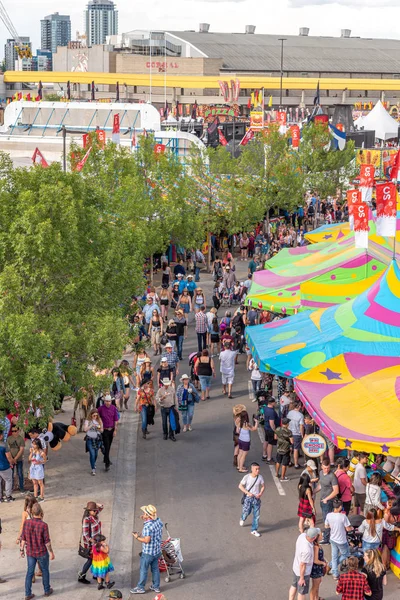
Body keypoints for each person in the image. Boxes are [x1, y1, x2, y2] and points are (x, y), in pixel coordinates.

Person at [20, 503, 55, 600]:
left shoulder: (27, 523)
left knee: (29, 572)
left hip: (30, 552)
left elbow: (23, 538)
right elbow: (47, 541)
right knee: (45, 570)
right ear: (41, 512)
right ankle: (47, 590)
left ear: (32, 512)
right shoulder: (44, 525)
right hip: (41, 552)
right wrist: (51, 552)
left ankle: (28, 593)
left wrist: (21, 550)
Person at [131, 505, 163, 595]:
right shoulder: (158, 521)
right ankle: (156, 586)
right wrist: (145, 518)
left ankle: (140, 587)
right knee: (155, 569)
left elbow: (146, 540)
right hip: (157, 551)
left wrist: (137, 537)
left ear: (148, 515)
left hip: (148, 553)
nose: (143, 514)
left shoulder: (147, 527)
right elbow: (154, 525)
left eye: (144, 513)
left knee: (143, 570)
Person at [289, 528, 321, 600]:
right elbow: (303, 565)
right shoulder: (307, 550)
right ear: (314, 537)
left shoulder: (302, 536)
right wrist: (302, 578)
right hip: (303, 573)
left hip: (295, 567)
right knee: (302, 592)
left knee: (294, 586)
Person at [325, 499, 352, 580]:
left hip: (332, 538)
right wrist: (350, 527)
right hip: (341, 540)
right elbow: (348, 529)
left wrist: (334, 526)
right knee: (345, 554)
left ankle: (335, 573)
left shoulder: (329, 515)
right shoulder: (343, 517)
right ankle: (331, 565)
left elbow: (326, 526)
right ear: (340, 507)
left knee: (334, 556)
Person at [78, 501, 104, 585]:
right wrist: (93, 542)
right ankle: (82, 576)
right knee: (91, 560)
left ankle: (95, 575)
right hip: (91, 545)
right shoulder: (87, 519)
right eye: (94, 510)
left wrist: (95, 504)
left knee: (95, 559)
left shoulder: (95, 515)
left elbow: (102, 507)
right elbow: (85, 534)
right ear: (89, 511)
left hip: (97, 543)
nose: (96, 511)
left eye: (96, 510)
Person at [238, 462, 265, 538]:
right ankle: (243, 518)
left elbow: (263, 486)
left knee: (256, 515)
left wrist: (260, 493)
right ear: (252, 469)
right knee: (247, 511)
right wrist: (247, 493)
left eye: (258, 469)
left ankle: (254, 530)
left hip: (256, 498)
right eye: (256, 469)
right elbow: (240, 486)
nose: (258, 470)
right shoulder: (247, 477)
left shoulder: (260, 477)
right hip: (248, 498)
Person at [319, 458, 339, 544]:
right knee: (325, 518)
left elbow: (336, 491)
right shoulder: (320, 473)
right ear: (321, 467)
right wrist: (313, 491)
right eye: (324, 468)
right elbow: (321, 486)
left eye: (327, 468)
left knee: (326, 520)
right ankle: (328, 535)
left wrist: (326, 499)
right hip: (322, 500)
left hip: (329, 501)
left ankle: (327, 539)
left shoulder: (332, 476)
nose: (326, 470)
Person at [98, 394, 119, 472]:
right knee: (106, 445)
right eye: (106, 401)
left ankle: (106, 458)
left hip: (111, 430)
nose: (108, 403)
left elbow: (116, 420)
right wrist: (100, 426)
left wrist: (115, 430)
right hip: (104, 430)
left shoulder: (113, 408)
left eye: (109, 401)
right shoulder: (100, 409)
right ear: (104, 401)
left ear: (111, 401)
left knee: (109, 446)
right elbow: (96, 417)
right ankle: (107, 463)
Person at [83, 408, 104, 475]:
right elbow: (85, 430)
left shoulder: (99, 420)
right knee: (92, 454)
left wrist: (98, 428)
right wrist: (91, 425)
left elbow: (102, 430)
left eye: (96, 415)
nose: (95, 417)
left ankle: (93, 463)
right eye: (94, 415)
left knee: (96, 454)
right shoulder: (88, 421)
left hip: (97, 440)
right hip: (90, 439)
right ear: (91, 415)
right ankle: (93, 469)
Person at [8, 423, 26, 493]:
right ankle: (11, 487)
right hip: (11, 460)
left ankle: (21, 487)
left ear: (18, 431)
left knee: (20, 473)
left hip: (19, 459)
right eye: (12, 431)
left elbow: (21, 450)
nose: (14, 432)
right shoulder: (9, 438)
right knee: (11, 474)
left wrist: (15, 458)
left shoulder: (21, 439)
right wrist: (11, 459)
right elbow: (8, 449)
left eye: (15, 431)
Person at [275, 417, 293, 482]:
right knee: (284, 463)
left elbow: (275, 437)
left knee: (278, 461)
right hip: (286, 449)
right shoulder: (289, 432)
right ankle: (282, 477)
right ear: (287, 424)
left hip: (279, 448)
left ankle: (276, 473)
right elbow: (292, 441)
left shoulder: (278, 429)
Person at [287, 402, 305, 469]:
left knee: (290, 448)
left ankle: (289, 462)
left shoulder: (290, 413)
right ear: (299, 406)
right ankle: (296, 464)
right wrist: (302, 435)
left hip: (289, 432)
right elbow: (301, 426)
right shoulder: (300, 415)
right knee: (296, 449)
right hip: (296, 434)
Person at [310, 531, 327, 600]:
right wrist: (323, 563)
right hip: (316, 569)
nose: (322, 535)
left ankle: (316, 598)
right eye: (321, 535)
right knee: (315, 587)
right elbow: (315, 560)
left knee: (317, 585)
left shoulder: (317, 545)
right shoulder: (316, 547)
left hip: (318, 568)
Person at [262, 396, 279, 463]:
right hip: (270, 429)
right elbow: (272, 423)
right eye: (274, 402)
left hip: (266, 427)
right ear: (272, 403)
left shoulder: (265, 408)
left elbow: (263, 416)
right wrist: (275, 430)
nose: (275, 403)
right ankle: (269, 458)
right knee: (270, 443)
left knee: (266, 441)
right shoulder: (271, 411)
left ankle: (264, 455)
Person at [0, 428, 14, 502]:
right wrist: (11, 463)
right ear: (1, 436)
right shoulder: (4, 445)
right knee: (8, 480)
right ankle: (8, 496)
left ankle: (0, 498)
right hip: (4, 466)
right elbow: (8, 456)